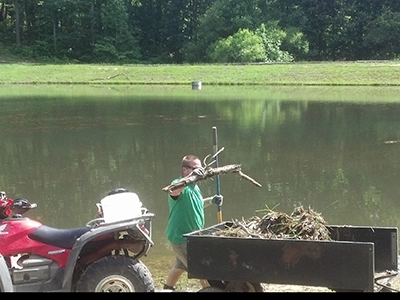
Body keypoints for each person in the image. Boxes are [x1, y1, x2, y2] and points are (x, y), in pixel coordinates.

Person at [164, 154, 223, 291]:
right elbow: (173, 191)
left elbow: (196, 204)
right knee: (201, 269)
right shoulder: (179, 183)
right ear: (185, 170)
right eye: (196, 169)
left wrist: (212, 200)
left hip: (192, 236)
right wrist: (188, 179)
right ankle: (210, 290)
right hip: (181, 237)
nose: (200, 173)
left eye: (201, 169)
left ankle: (167, 289)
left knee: (180, 266)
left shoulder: (195, 188)